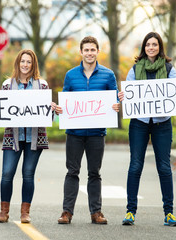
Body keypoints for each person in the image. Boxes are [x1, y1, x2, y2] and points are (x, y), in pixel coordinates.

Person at [119, 32, 176, 227]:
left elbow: (174, 92)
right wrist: (124, 96)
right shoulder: (135, 69)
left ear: (159, 47)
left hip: (162, 123)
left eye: (155, 44)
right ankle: (130, 212)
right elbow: (129, 92)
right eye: (148, 44)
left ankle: (169, 213)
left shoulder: (169, 68)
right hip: (139, 123)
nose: (151, 48)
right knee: (135, 165)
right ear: (144, 48)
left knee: (164, 167)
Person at [0, 49, 59, 224]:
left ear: (33, 64)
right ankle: (4, 211)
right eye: (23, 61)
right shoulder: (7, 85)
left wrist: (51, 109)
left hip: (35, 137)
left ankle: (25, 212)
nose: (25, 65)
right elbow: (3, 114)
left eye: (29, 62)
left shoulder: (41, 85)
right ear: (17, 63)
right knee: (7, 173)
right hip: (13, 136)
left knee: (28, 174)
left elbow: (47, 117)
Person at [56, 36, 120, 225]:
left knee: (94, 173)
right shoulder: (71, 75)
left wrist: (116, 105)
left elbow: (115, 98)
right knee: (72, 172)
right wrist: (60, 108)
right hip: (74, 134)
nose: (90, 53)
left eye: (93, 50)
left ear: (97, 52)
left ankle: (96, 212)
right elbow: (65, 99)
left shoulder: (108, 75)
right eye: (86, 50)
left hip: (97, 133)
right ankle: (67, 212)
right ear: (81, 52)